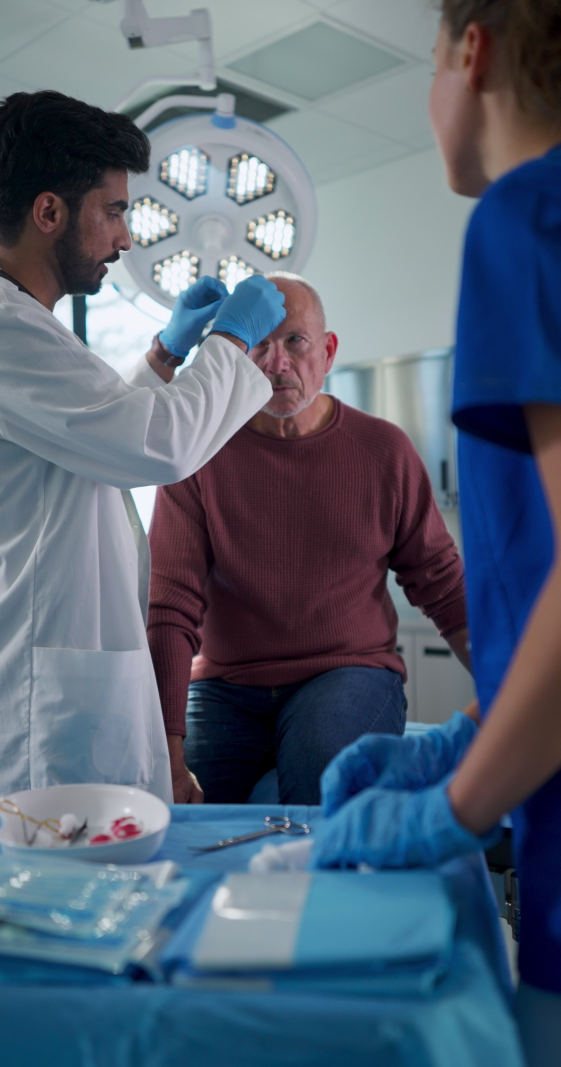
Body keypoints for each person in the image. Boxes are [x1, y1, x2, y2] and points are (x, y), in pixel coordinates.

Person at [308, 2, 561, 1061]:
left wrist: (454, 801)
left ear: (474, 48)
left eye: (427, 63)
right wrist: (474, 735)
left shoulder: (524, 219)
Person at [0, 89, 286, 800]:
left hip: (51, 672)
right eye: (113, 211)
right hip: (32, 706)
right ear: (50, 212)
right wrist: (232, 342)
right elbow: (157, 445)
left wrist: (165, 358)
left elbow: (84, 431)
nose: (128, 237)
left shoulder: (10, 318)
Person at [147, 272, 471, 805]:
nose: (277, 363)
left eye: (294, 340)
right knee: (184, 810)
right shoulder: (197, 455)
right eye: (258, 344)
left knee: (320, 781)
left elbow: (441, 582)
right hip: (226, 682)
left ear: (328, 350)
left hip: (348, 671)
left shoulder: (383, 451)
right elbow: (171, 604)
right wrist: (167, 752)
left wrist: (512, 692)